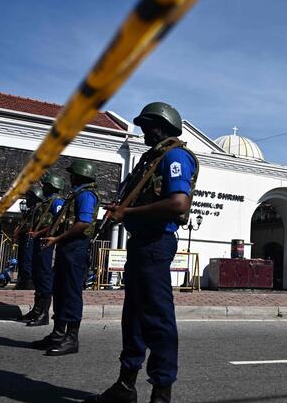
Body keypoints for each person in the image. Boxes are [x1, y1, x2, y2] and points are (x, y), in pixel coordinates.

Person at [86, 102, 198, 403]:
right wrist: (123, 211)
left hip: (156, 243)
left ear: (158, 126)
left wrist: (129, 212)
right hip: (142, 242)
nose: (143, 132)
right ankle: (125, 385)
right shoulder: (151, 159)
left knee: (158, 320)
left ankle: (161, 392)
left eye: (146, 126)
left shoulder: (175, 156)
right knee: (133, 317)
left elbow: (178, 204)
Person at [36, 160, 99, 357]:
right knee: (61, 290)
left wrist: (57, 238)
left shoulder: (86, 195)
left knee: (71, 293)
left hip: (76, 248)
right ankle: (57, 333)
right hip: (67, 247)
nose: (70, 178)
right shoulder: (77, 194)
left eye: (72, 174)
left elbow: (83, 223)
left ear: (79, 176)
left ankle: (71, 338)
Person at [21, 174, 65, 326]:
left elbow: (58, 224)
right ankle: (36, 310)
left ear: (52, 187)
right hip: (38, 243)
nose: (43, 188)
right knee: (37, 276)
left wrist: (38, 233)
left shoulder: (57, 202)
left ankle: (44, 314)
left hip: (48, 243)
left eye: (46, 185)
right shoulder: (44, 203)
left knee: (45, 276)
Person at [14, 186, 45, 290]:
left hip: (31, 239)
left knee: (28, 262)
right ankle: (22, 280)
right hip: (25, 239)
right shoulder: (30, 211)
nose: (26, 200)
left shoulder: (39, 209)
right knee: (22, 261)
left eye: (29, 197)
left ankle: (28, 283)